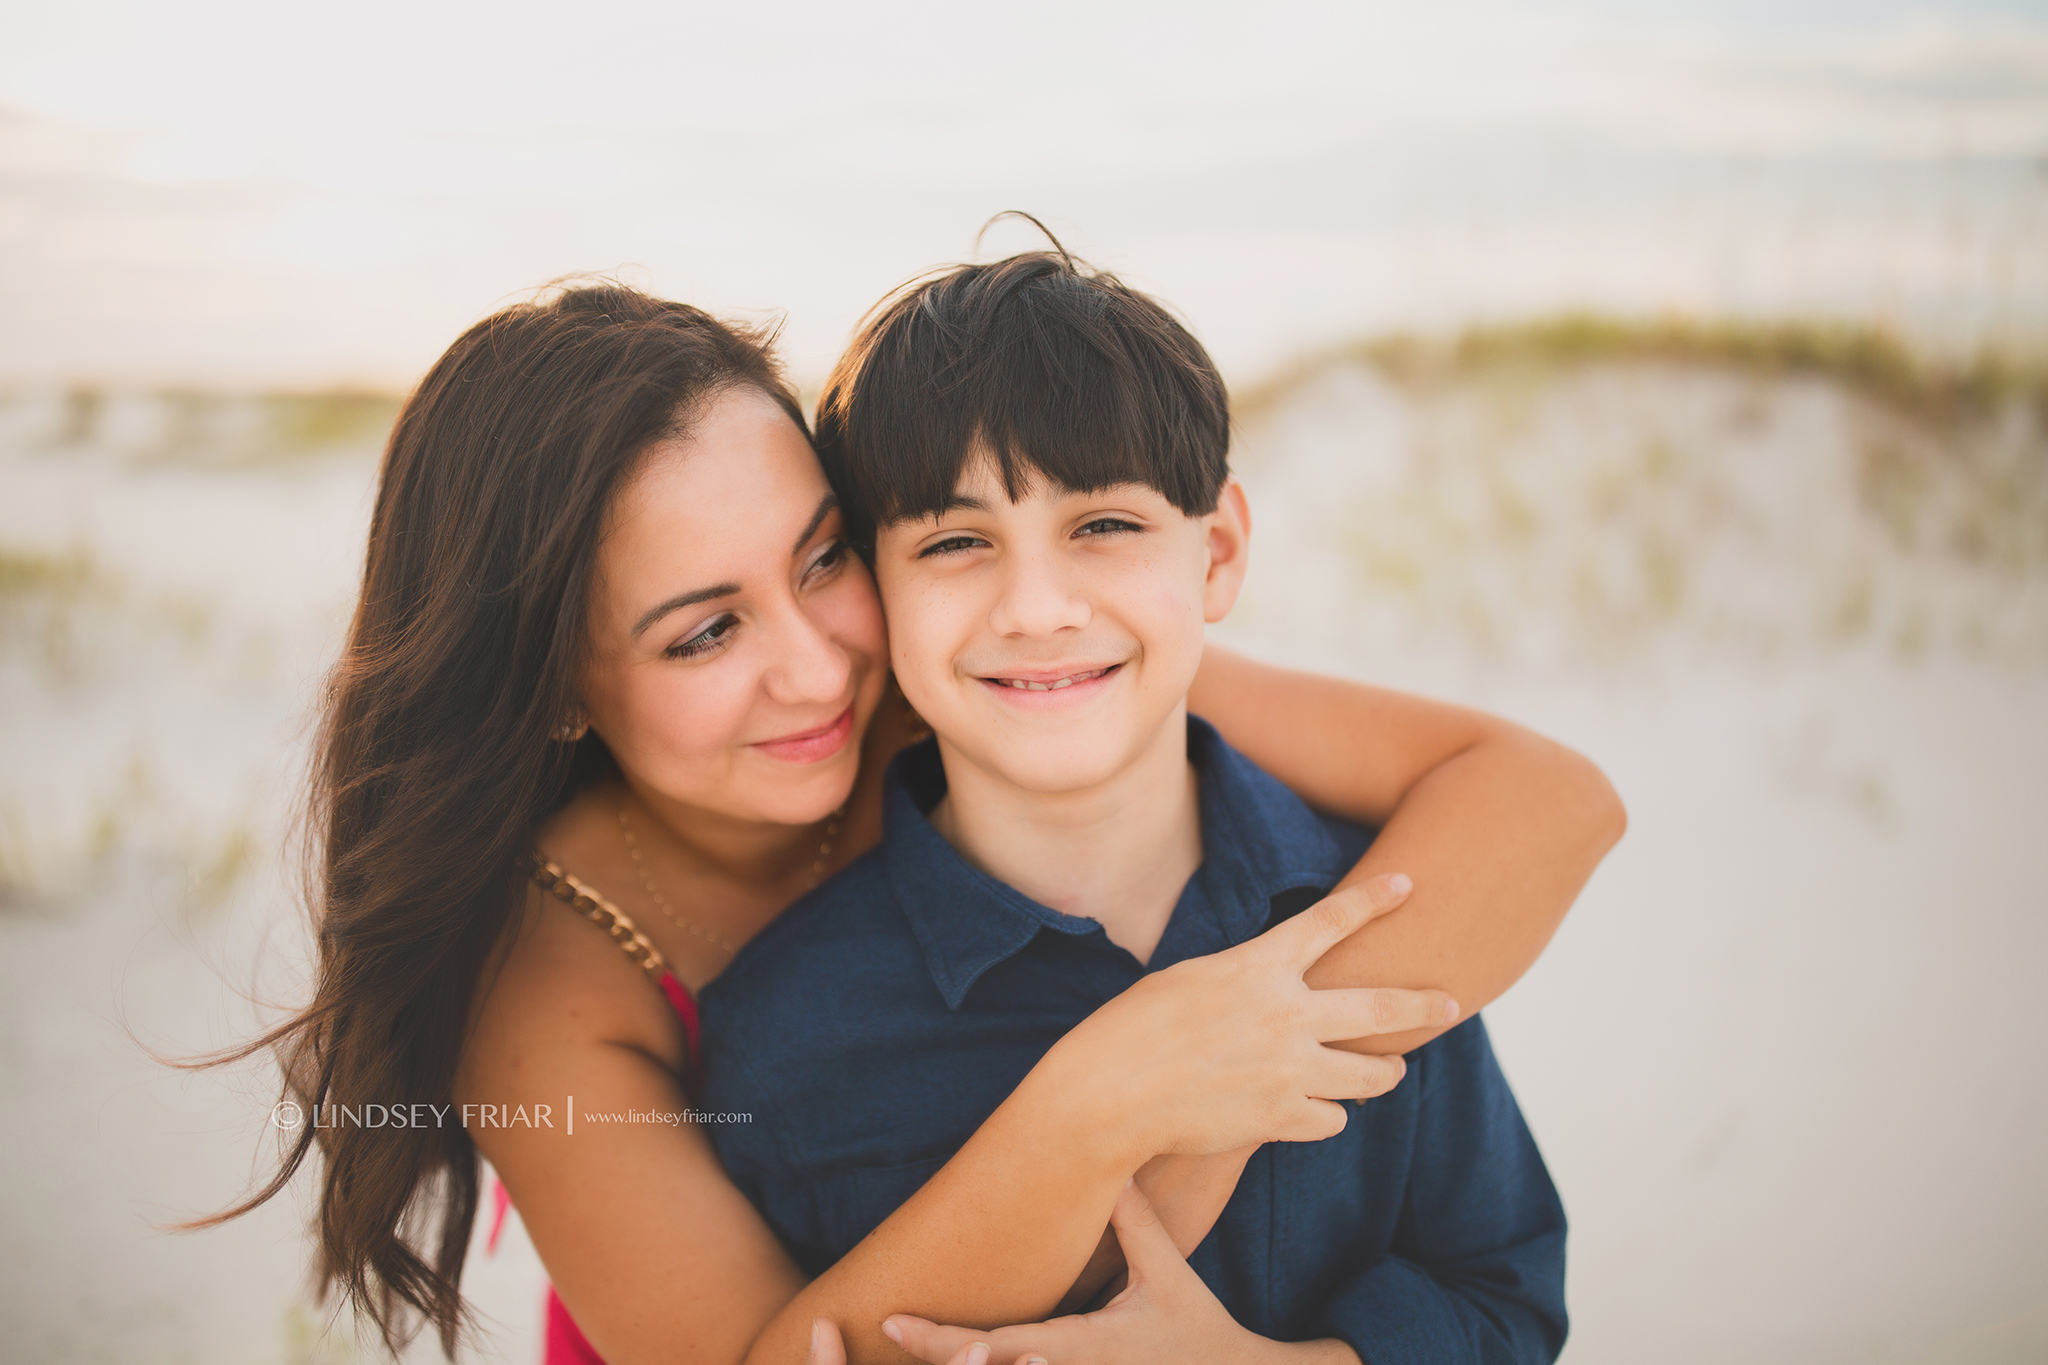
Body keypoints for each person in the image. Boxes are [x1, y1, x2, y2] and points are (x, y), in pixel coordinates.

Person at [204, 271, 1623, 1364]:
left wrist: (1239, 1065)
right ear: (559, 687)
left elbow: (1542, 798)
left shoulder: (972, 681)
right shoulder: (547, 993)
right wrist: (1102, 1102)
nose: (817, 664)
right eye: (704, 634)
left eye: (823, 558)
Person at [698, 246, 1567, 1365]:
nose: (1037, 607)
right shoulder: (784, 1028)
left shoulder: (1370, 903)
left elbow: (1502, 1297)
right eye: (956, 543)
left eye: (1101, 526)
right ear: (876, 590)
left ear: (1215, 554)